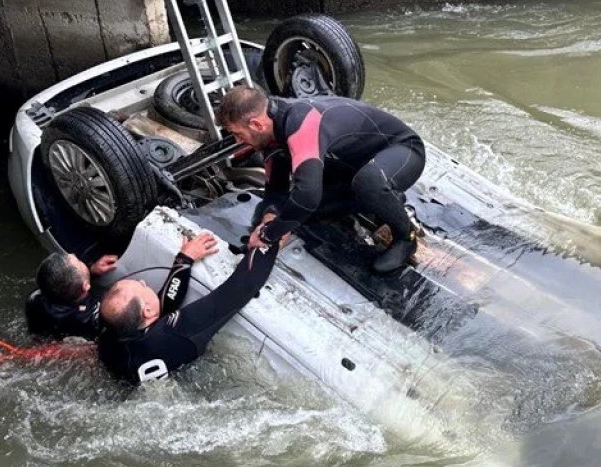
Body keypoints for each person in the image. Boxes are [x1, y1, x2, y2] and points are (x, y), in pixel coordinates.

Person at [216, 85, 425, 273]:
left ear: (256, 124)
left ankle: (405, 238)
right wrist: (270, 217)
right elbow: (276, 191)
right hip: (352, 165)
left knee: (366, 182)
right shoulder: (269, 131)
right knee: (300, 212)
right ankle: (382, 200)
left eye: (237, 134)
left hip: (403, 150)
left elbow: (307, 195)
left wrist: (268, 235)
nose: (237, 141)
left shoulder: (300, 122)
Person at [97, 232, 281, 385]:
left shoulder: (108, 340)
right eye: (142, 286)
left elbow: (162, 307)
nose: (144, 282)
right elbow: (240, 288)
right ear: (147, 312)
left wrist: (184, 260)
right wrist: (271, 239)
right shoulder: (176, 332)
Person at [24, 252, 120, 341]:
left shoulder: (34, 300)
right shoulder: (94, 318)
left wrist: (91, 270)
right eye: (80, 262)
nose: (81, 261)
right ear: (85, 286)